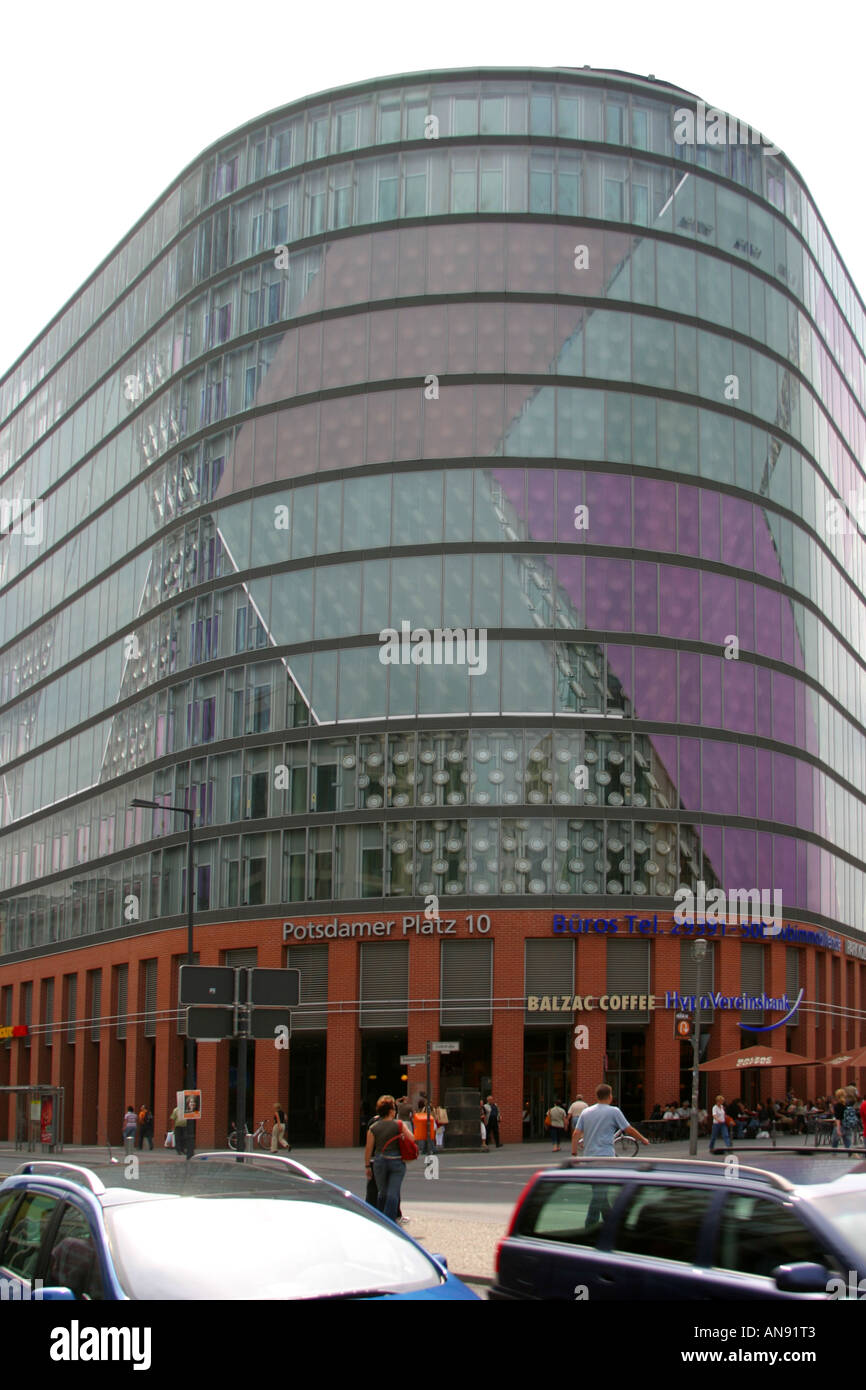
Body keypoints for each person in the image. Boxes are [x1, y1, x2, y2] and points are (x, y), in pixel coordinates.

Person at [365, 1097, 411, 1223]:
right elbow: (412, 1139)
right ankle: (390, 1222)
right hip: (396, 1161)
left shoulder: (373, 1127)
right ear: (391, 1111)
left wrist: (367, 1166)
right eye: (394, 1109)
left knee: (382, 1192)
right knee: (393, 1193)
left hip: (380, 1161)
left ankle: (380, 1218)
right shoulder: (399, 1125)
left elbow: (369, 1149)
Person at [573, 1084, 650, 1158]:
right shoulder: (614, 1111)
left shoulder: (586, 1112)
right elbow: (628, 1129)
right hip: (606, 1154)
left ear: (596, 1097)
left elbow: (576, 1133)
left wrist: (574, 1152)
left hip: (589, 1155)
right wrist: (643, 1139)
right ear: (610, 1096)